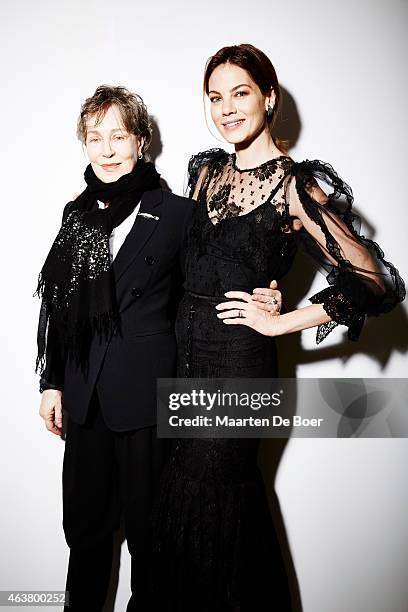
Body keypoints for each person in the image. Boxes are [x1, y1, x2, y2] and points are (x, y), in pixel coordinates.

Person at [151, 44, 405, 611]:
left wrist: (282, 320)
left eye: (240, 93)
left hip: (240, 369)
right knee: (181, 496)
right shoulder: (204, 173)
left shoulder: (294, 185)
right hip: (184, 361)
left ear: (268, 97)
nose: (226, 109)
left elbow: (376, 282)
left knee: (218, 498)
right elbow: (191, 264)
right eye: (215, 98)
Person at [35, 85, 197, 612]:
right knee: (84, 534)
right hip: (85, 398)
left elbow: (203, 295)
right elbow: (60, 310)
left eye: (118, 136)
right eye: (94, 137)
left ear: (140, 141)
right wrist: (51, 382)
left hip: (147, 398)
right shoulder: (76, 214)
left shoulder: (175, 214)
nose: (105, 150)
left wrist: (266, 292)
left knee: (151, 540)